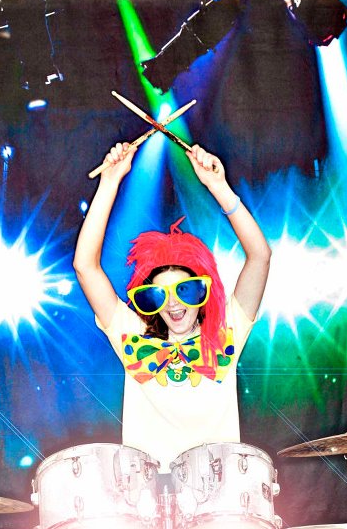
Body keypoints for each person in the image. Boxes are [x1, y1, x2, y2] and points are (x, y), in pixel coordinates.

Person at [73, 140, 271, 472]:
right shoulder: (133, 334)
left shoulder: (227, 331)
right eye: (160, 294)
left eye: (185, 290)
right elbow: (85, 267)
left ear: (203, 291)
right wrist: (109, 182)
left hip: (220, 492)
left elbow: (260, 256)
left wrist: (218, 186)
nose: (174, 302)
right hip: (145, 495)